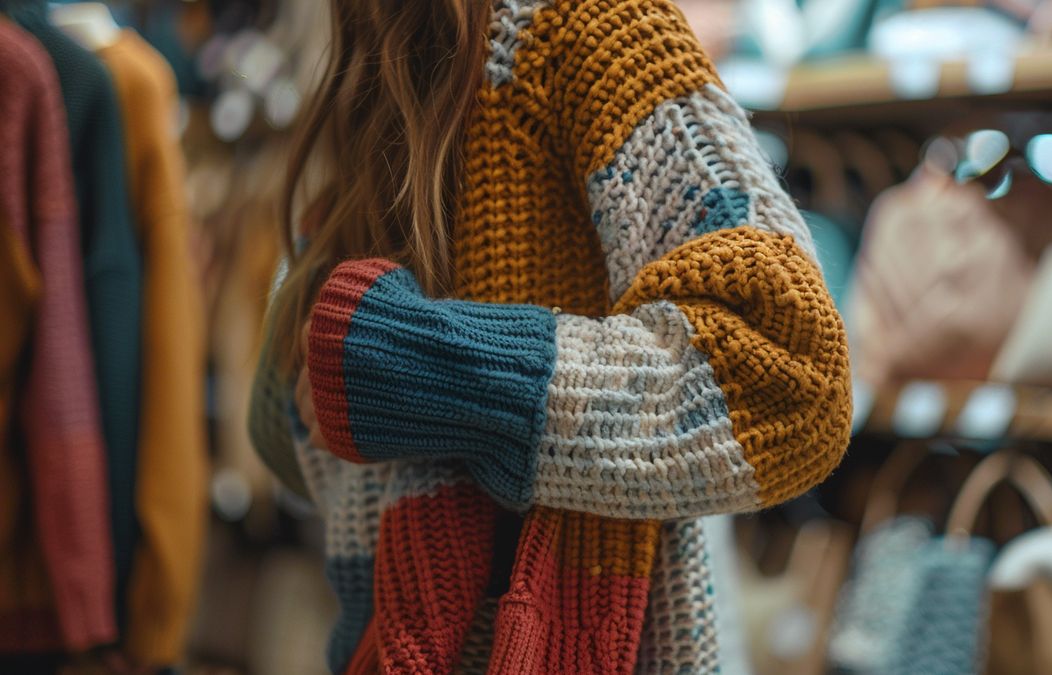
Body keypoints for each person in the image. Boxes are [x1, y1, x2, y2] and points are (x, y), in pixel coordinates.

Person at [248, 0, 853, 671]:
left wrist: (424, 368)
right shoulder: (386, 52)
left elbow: (792, 374)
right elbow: (295, 423)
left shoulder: (589, 26)